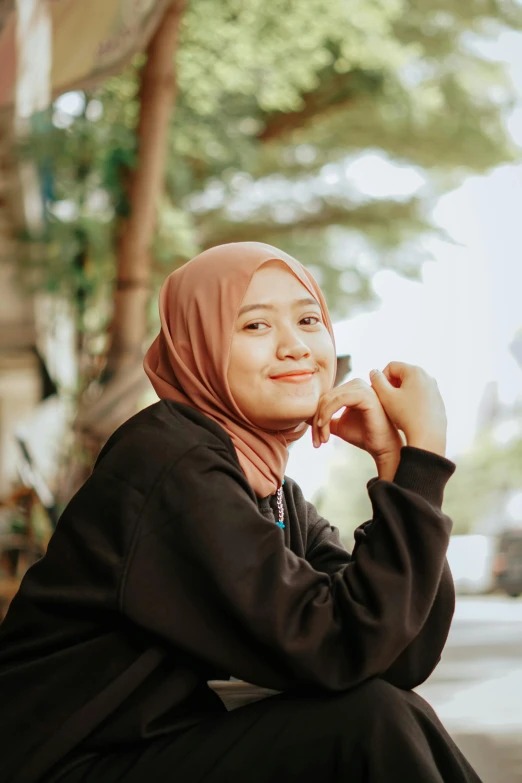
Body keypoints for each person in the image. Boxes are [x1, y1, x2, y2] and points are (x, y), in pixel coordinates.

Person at [0, 242, 482, 783]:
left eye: (308, 319)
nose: (296, 346)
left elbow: (395, 657)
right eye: (255, 326)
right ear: (198, 347)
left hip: (149, 752)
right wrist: (424, 458)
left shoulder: (272, 491)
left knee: (382, 709)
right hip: (57, 767)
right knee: (368, 725)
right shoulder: (169, 464)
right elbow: (337, 646)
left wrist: (396, 465)